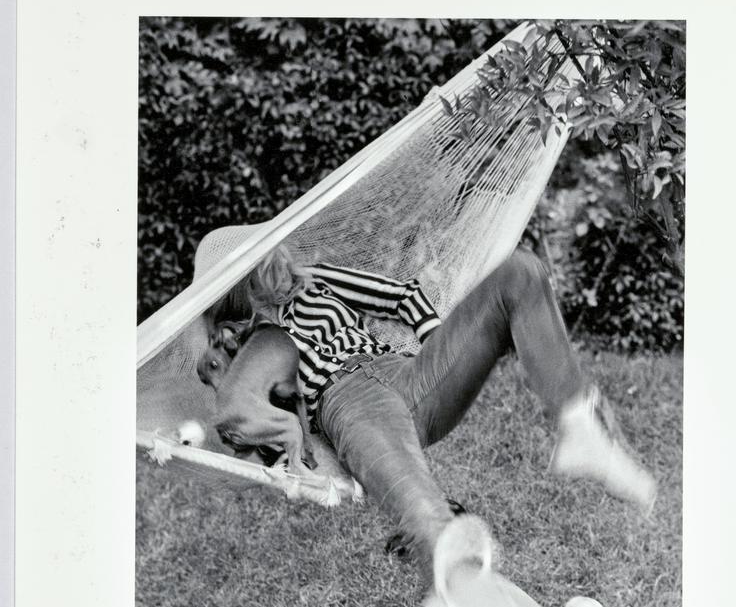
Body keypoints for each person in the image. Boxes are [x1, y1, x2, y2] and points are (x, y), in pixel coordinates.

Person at [206, 242, 656, 569]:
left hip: (404, 370)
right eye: (260, 266)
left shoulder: (319, 279)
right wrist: (327, 465)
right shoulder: (240, 343)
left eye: (274, 253)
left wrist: (437, 345)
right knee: (429, 518)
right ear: (241, 284)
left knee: (520, 272)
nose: (278, 266)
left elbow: (402, 297)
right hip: (348, 407)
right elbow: (259, 428)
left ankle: (578, 426)